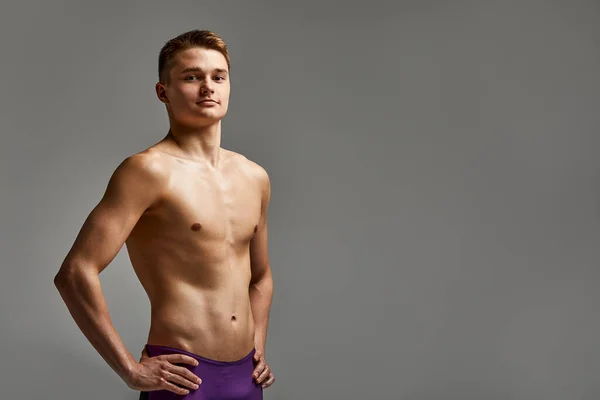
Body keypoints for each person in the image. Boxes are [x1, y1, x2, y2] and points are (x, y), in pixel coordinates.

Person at [53, 29, 275, 399]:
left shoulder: (254, 177)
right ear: (164, 92)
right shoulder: (147, 171)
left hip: (246, 377)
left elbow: (262, 277)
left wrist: (258, 345)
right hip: (183, 378)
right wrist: (129, 369)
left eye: (218, 77)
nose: (208, 88)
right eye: (192, 77)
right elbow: (75, 273)